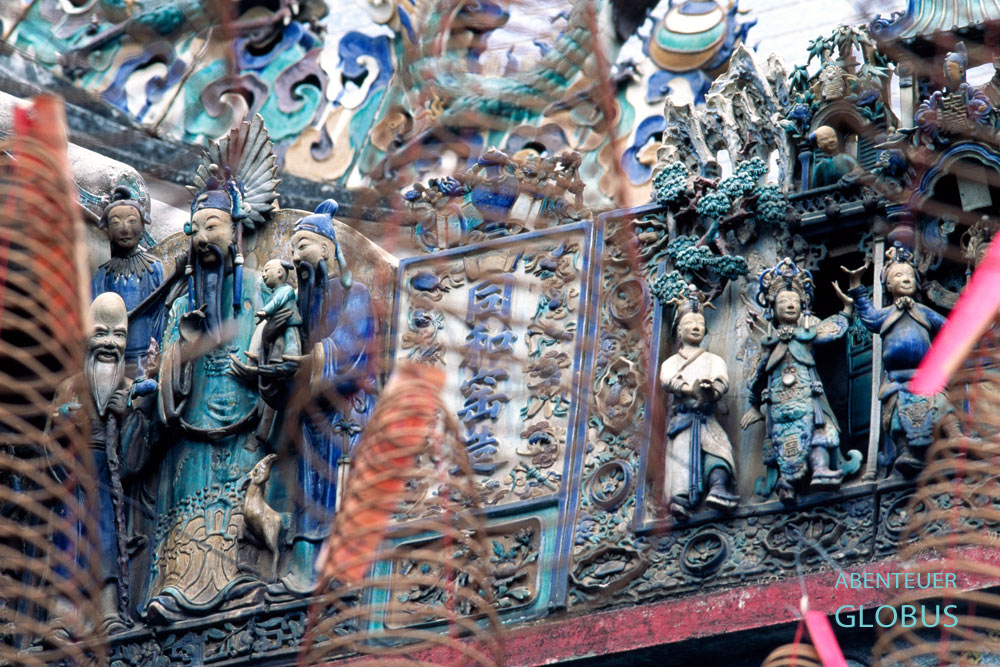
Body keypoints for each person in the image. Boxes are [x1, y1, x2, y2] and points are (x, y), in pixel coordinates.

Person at [281, 199, 376, 592]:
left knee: (338, 489)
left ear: (325, 248)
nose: (296, 256)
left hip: (345, 410)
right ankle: (302, 569)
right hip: (311, 415)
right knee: (306, 492)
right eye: (293, 248)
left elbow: (351, 344)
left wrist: (311, 360)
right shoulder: (303, 300)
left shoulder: (355, 293)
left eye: (303, 246)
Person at [741, 258, 860, 503]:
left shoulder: (809, 328)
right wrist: (754, 404)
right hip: (779, 401)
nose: (790, 305)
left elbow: (830, 331)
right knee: (780, 436)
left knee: (819, 430)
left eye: (795, 301)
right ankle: (786, 481)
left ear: (803, 304)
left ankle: (820, 468)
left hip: (807, 393)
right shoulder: (770, 339)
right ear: (772, 308)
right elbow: (760, 372)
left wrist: (847, 311)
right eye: (784, 301)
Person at [838, 246, 960, 475]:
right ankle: (906, 452)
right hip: (897, 380)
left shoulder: (923, 311)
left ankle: (955, 436)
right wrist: (857, 287)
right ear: (888, 286)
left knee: (942, 406)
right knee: (894, 416)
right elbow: (868, 316)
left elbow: (947, 327)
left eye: (908, 275)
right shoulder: (885, 313)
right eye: (898, 275)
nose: (904, 279)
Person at [660, 288, 738, 520]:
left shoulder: (713, 360)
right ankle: (680, 501)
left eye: (700, 323)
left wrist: (711, 391)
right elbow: (667, 380)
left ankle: (718, 488)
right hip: (684, 419)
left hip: (707, 416)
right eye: (690, 323)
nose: (696, 327)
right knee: (682, 463)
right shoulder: (672, 361)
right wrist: (688, 389)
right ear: (679, 331)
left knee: (721, 452)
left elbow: (721, 381)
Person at [91, 185, 164, 376]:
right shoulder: (102, 276)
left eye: (132, 221)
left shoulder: (154, 269)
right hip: (112, 356)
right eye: (115, 223)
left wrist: (156, 348)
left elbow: (162, 312)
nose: (124, 229)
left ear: (142, 226)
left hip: (145, 356)